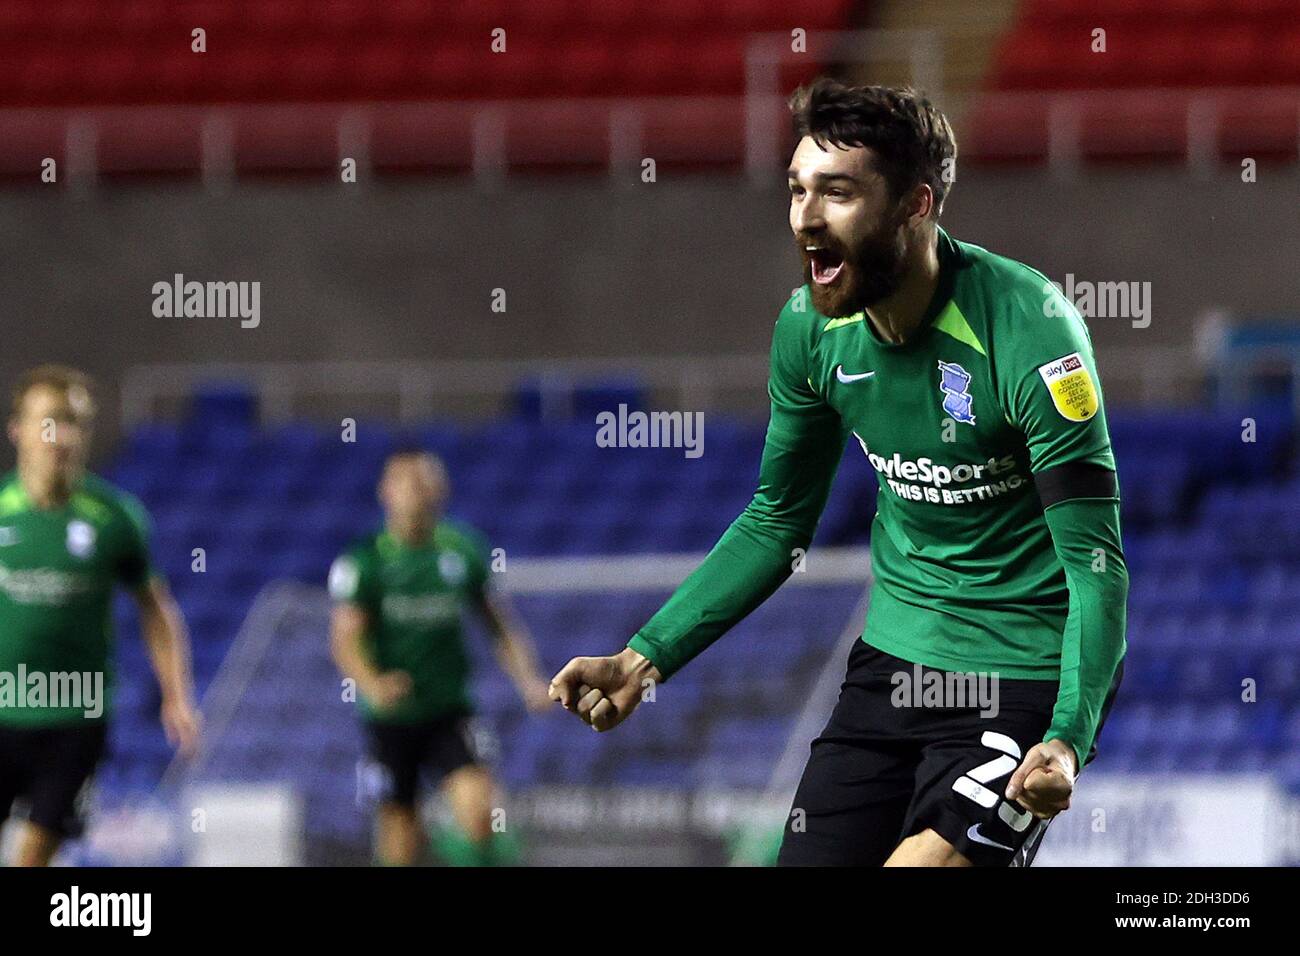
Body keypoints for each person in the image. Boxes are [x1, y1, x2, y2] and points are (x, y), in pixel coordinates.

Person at [549, 78, 1127, 867]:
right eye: (796, 190)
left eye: (838, 192)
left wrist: (1066, 738)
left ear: (916, 205)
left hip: (1017, 675)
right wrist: (644, 656)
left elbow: (1096, 566)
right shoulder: (809, 333)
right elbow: (776, 522)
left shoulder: (1032, 333)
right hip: (890, 665)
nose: (806, 218)